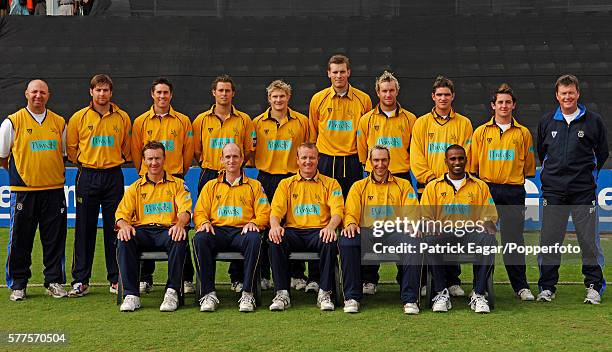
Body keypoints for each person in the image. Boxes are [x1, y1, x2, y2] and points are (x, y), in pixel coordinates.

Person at [536, 74, 608, 304]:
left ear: (578, 94)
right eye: (563, 93)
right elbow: (542, 152)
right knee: (549, 240)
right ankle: (547, 287)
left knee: (588, 240)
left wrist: (585, 177)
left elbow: (602, 153)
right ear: (557, 96)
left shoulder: (593, 120)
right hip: (553, 192)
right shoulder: (547, 121)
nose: (567, 97)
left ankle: (594, 286)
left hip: (583, 192)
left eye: (571, 92)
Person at [1, 79, 68, 301]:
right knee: (21, 238)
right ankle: (18, 284)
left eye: (42, 93)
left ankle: (54, 281)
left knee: (54, 239)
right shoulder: (12, 122)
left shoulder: (59, 122)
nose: (38, 96)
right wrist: (24, 173)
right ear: (26, 94)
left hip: (54, 190)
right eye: (34, 92)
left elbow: (64, 154)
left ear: (48, 95)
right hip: (24, 191)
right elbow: (2, 158)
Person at [66, 74, 131, 297]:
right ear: (91, 92)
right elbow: (72, 149)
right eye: (98, 90)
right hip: (88, 175)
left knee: (116, 228)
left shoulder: (122, 117)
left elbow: (126, 146)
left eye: (105, 90)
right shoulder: (79, 117)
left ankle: (115, 278)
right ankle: (81, 280)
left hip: (113, 175)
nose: (102, 94)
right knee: (85, 228)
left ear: (111, 93)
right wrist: (89, 163)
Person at [470, 83, 536, 301]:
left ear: (514, 105)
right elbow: (473, 167)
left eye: (508, 102)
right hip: (487, 190)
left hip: (514, 191)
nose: (504, 106)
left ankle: (521, 286)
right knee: (482, 239)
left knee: (514, 240)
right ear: (493, 106)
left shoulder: (523, 133)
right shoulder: (480, 132)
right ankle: (479, 287)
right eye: (500, 102)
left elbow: (527, 167)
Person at [410, 75, 474, 297]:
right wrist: (433, 180)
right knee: (431, 234)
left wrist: (452, 180)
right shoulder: (421, 123)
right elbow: (416, 156)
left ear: (453, 96)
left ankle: (453, 280)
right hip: (428, 189)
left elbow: (467, 154)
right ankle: (432, 280)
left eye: (447, 94)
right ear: (433, 97)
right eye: (439, 95)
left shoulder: (464, 123)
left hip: (456, 188)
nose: (443, 98)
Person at [131, 77, 195, 295]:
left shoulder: (183, 121)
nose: (162, 96)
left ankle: (185, 278)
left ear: (171, 95)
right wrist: (147, 170)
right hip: (147, 179)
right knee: (146, 224)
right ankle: (145, 278)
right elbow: (134, 152)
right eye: (158, 92)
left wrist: (178, 171)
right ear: (152, 94)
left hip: (174, 177)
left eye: (166, 93)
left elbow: (188, 151)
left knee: (179, 227)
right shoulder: (140, 122)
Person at [339, 145, 421, 314]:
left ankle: (410, 299)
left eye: (384, 160)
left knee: (414, 241)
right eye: (376, 160)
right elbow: (351, 212)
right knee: (347, 241)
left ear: (389, 161)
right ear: (370, 162)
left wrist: (411, 224)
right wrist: (351, 224)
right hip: (368, 233)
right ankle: (352, 297)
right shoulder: (358, 186)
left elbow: (412, 210)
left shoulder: (403, 185)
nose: (380, 164)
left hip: (395, 232)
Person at [192, 74, 256, 292]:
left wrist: (233, 166)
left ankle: (237, 277)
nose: (224, 94)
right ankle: (205, 284)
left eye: (228, 90)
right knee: (207, 224)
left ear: (233, 93)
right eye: (220, 90)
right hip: (210, 173)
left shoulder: (244, 120)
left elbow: (248, 150)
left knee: (239, 220)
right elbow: (196, 150)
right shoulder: (200, 120)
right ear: (214, 93)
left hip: (235, 172)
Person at [356, 71, 417, 294]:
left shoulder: (410, 119)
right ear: (377, 92)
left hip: (400, 178)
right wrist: (373, 168)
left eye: (392, 90)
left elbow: (413, 148)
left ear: (397, 91)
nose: (388, 94)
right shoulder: (366, 120)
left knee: (402, 229)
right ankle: (369, 279)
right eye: (384, 90)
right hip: (374, 176)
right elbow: (362, 151)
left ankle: (405, 278)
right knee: (372, 226)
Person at [421, 144, 498, 313]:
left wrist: (487, 222)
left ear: (466, 160)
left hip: (470, 233)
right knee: (429, 240)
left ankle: (478, 293)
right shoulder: (433, 187)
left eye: (461, 158)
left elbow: (490, 214)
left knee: (489, 239)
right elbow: (425, 216)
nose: (457, 162)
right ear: (446, 161)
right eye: (453, 158)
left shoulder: (480, 186)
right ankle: (441, 293)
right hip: (444, 234)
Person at [193, 143, 270, 313]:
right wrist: (204, 222)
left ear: (242, 159)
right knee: (200, 238)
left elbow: (265, 212)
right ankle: (208, 294)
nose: (231, 160)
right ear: (221, 160)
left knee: (255, 238)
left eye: (235, 156)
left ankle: (247, 293)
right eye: (227, 157)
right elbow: (199, 211)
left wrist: (255, 223)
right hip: (217, 231)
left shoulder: (255, 186)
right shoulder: (210, 186)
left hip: (242, 231)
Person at [115, 141, 191, 312]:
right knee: (124, 238)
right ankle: (131, 294)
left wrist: (180, 224)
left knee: (179, 237)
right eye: (150, 159)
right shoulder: (135, 188)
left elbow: (185, 211)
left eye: (157, 158)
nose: (154, 163)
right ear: (143, 160)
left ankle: (172, 292)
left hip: (167, 230)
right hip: (143, 230)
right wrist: (125, 225)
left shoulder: (178, 184)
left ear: (164, 159)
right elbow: (120, 215)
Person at [267, 143, 344, 311]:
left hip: (319, 231)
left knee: (330, 241)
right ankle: (282, 293)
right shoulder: (285, 184)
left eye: (312, 157)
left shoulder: (331, 184)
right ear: (297, 160)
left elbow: (338, 211)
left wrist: (331, 227)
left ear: (318, 160)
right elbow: (276, 211)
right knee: (275, 239)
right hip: (294, 232)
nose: (308, 161)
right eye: (304, 157)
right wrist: (274, 226)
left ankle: (324, 292)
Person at [252, 80, 310, 291]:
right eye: (274, 96)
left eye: (282, 96)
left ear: (288, 98)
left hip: (292, 179)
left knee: (292, 224)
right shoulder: (257, 122)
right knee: (266, 224)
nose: (278, 100)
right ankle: (264, 274)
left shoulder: (301, 121)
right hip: (266, 178)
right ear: (269, 99)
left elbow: (307, 148)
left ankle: (296, 274)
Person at [309, 54, 372, 197]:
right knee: (325, 203)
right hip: (326, 159)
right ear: (328, 74)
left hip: (352, 160)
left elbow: (367, 133)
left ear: (348, 72)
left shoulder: (363, 99)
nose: (339, 75)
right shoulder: (318, 99)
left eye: (342, 71)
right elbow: (313, 131)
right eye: (335, 72)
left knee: (352, 203)